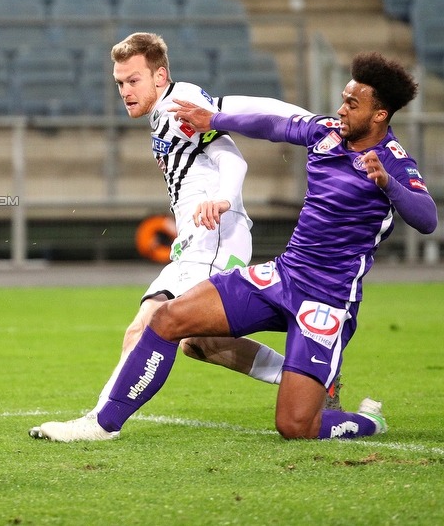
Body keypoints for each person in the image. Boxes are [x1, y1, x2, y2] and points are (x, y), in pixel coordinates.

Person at [85, 51, 437, 441]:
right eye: (342, 98)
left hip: (328, 299)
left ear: (379, 116)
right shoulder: (326, 132)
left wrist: (389, 183)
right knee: (167, 319)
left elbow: (426, 218)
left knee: (295, 426)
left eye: (352, 104)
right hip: (283, 276)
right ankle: (101, 424)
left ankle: (370, 421)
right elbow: (272, 123)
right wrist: (213, 119)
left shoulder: (394, 160)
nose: (340, 109)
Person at [32, 33, 324, 442]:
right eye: (119, 83)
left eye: (134, 80)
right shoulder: (162, 114)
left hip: (213, 236)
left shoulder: (177, 103)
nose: (125, 91)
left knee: (149, 320)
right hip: (203, 237)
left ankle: (99, 422)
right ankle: (314, 380)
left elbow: (230, 156)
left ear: (160, 75)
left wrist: (221, 199)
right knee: (199, 342)